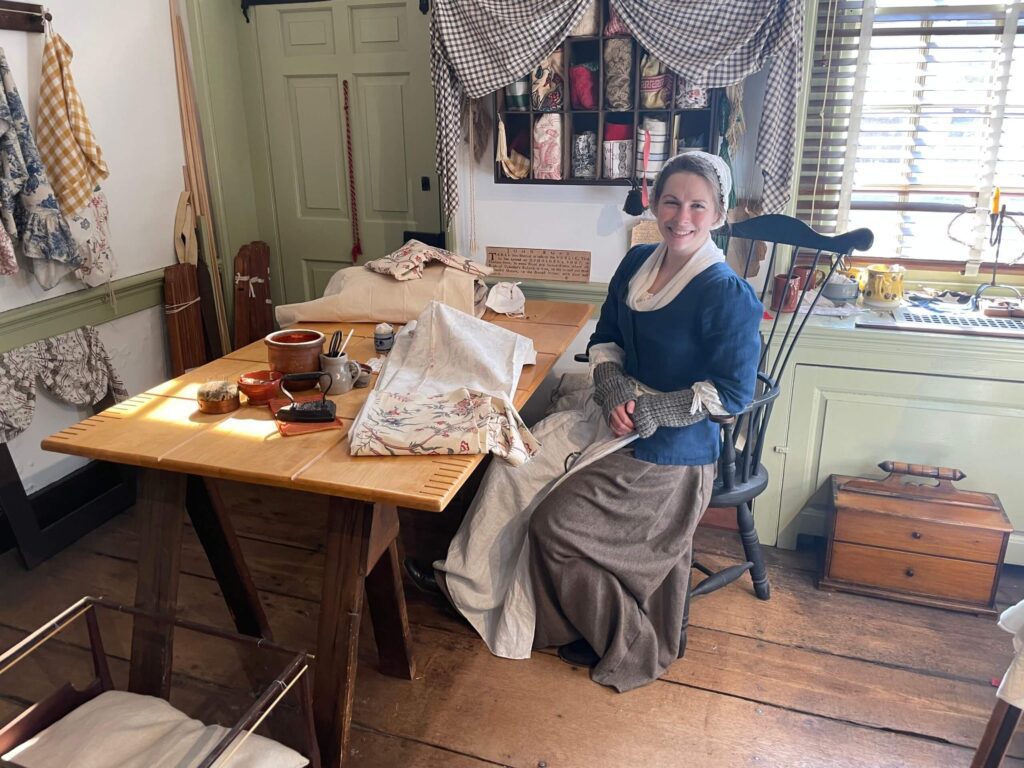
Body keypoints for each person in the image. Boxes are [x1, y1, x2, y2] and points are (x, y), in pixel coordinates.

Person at [410, 151, 762, 693]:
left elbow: (733, 394)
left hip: (672, 451)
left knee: (555, 525)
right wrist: (615, 386)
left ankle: (620, 639)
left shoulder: (725, 293)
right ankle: (472, 589)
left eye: (698, 205)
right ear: (653, 201)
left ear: (719, 213)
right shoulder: (638, 261)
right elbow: (606, 339)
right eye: (671, 200)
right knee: (513, 467)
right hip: (614, 414)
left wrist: (654, 410)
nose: (681, 216)